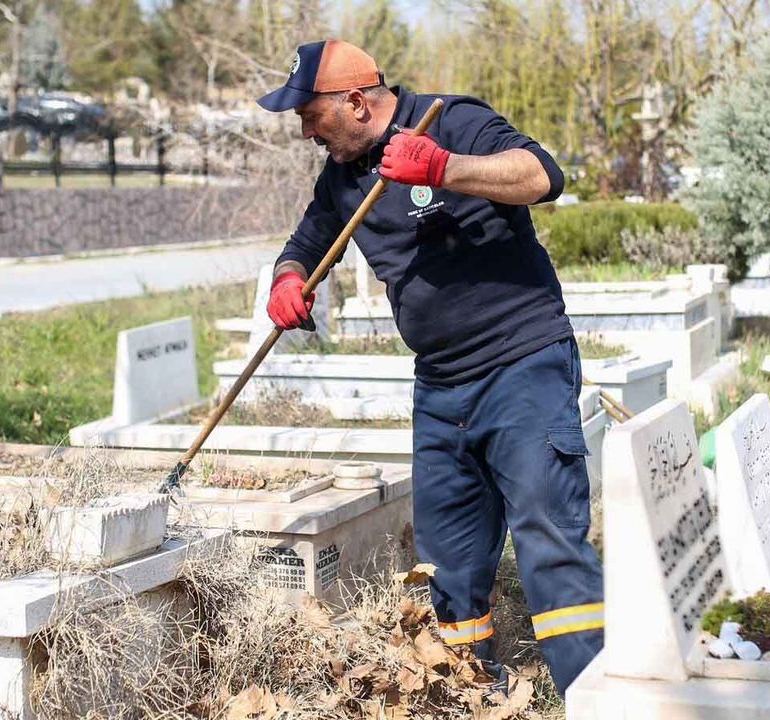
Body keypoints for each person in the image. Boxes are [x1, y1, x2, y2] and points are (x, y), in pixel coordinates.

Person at [257, 39, 603, 695]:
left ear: (356, 101)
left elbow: (542, 176)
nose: (305, 131)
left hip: (522, 367)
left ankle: (593, 694)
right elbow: (305, 242)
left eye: (310, 115)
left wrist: (444, 168)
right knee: (450, 561)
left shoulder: (450, 121)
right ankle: (475, 691)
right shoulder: (341, 178)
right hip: (441, 389)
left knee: (549, 539)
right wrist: (289, 275)